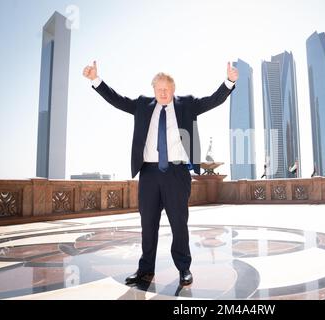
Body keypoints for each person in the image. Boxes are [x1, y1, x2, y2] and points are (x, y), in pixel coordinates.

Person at [83, 61, 239, 287]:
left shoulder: (187, 105)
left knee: (179, 223)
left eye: (167, 89)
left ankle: (184, 268)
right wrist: (96, 80)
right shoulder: (142, 105)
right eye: (159, 89)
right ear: (153, 90)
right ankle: (145, 269)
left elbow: (213, 100)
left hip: (176, 173)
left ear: (173, 90)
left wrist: (229, 81)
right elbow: (117, 100)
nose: (163, 93)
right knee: (148, 224)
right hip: (148, 173)